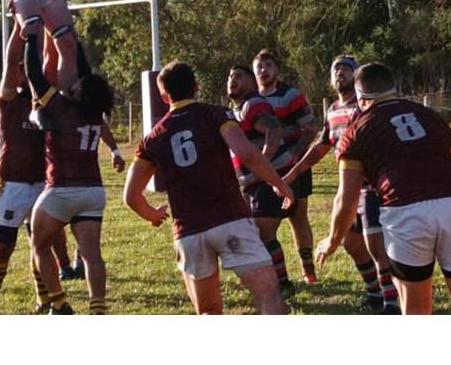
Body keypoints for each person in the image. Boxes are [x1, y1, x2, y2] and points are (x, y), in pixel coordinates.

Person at [316, 62, 451, 315]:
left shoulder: (356, 130)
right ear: (395, 90)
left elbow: (347, 198)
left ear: (360, 98)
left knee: (416, 310)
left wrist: (331, 241)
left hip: (406, 211)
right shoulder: (430, 116)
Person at [123, 61, 293, 315]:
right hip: (230, 219)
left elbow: (130, 196)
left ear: (164, 96)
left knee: (209, 311)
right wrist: (279, 184)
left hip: (189, 231)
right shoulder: (216, 114)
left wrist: (153, 214)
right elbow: (246, 153)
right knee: (269, 296)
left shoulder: (152, 138)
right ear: (197, 87)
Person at [283, 54, 401, 314]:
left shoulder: (366, 106)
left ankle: (391, 304)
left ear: (357, 76)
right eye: (336, 69)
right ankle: (374, 294)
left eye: (346, 70)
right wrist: (293, 173)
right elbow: (322, 145)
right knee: (352, 244)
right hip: (351, 188)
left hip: (372, 188)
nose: (340, 74)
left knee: (377, 248)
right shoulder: (334, 109)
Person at [27, 42, 125, 315]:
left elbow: (35, 74)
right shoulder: (94, 112)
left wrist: (31, 37)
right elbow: (86, 77)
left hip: (61, 189)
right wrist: (73, 46)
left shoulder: (61, 107)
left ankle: (59, 304)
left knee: (39, 246)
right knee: (92, 255)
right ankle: (97, 308)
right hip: (93, 191)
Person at [0, 29, 55, 314]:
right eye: (22, 72)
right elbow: (10, 64)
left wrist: (49, 32)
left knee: (40, 245)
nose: (23, 75)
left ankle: (44, 299)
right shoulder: (9, 101)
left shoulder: (45, 103)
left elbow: (51, 65)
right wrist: (18, 31)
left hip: (41, 184)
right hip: (12, 183)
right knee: (4, 246)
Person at [253, 49, 322, 283]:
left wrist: (295, 154)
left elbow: (311, 127)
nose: (263, 71)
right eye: (259, 67)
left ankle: (308, 271)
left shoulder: (290, 95)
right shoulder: (251, 100)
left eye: (268, 66)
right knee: (264, 223)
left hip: (294, 167)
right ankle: (277, 275)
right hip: (264, 168)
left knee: (298, 217)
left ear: (277, 70)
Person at [226, 65, 295, 297]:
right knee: (255, 235)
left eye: (239, 76)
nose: (232, 80)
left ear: (252, 83)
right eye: (230, 76)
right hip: (251, 182)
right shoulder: (234, 109)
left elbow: (274, 131)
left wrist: (261, 167)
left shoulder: (253, 104)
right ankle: (270, 282)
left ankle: (283, 284)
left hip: (266, 180)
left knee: (263, 235)